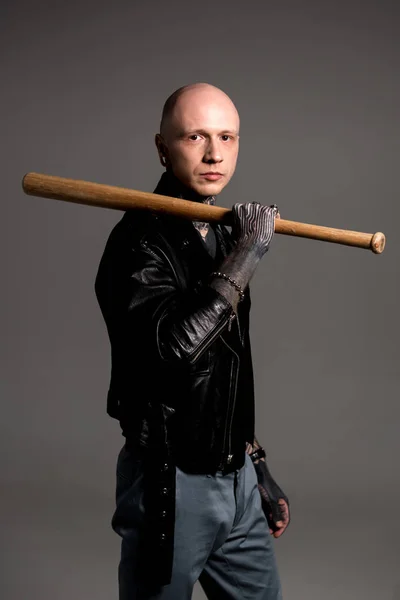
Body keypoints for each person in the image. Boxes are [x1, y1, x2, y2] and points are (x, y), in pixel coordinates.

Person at [95, 82, 290, 600]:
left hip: (237, 481)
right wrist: (247, 258)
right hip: (170, 483)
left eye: (227, 137)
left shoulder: (226, 235)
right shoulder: (138, 242)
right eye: (195, 137)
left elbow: (232, 363)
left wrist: (255, 463)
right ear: (162, 147)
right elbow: (173, 349)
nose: (214, 154)